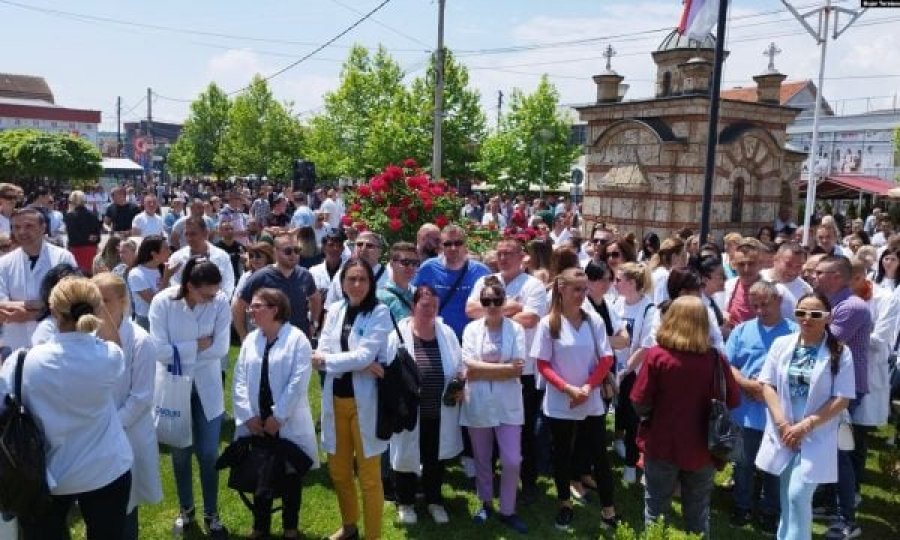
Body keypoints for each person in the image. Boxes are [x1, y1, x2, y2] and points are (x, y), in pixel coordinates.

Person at [0, 277, 134, 539]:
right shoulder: (107, 357)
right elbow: (117, 346)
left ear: (52, 311)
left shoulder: (23, 361)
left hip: (46, 473)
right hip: (105, 469)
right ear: (96, 310)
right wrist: (97, 305)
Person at [631, 295, 740, 538]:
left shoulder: (657, 356)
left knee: (656, 510)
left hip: (662, 444)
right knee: (698, 513)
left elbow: (639, 401)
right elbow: (732, 400)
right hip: (703, 448)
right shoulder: (715, 360)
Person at [755, 293, 855, 540]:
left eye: (815, 314)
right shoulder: (782, 344)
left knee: (798, 496)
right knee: (787, 502)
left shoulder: (841, 352)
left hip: (816, 434)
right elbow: (766, 384)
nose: (807, 319)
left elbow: (842, 398)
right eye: (801, 313)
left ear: (828, 318)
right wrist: (782, 423)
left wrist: (806, 426)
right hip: (784, 433)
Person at [149, 257, 232, 538]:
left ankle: (212, 513)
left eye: (214, 293)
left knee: (209, 453)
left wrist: (180, 351)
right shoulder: (163, 303)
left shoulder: (220, 301)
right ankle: (186, 510)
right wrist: (196, 346)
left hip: (207, 385)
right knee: (180, 453)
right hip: (174, 387)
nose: (213, 299)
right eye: (206, 294)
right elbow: (157, 350)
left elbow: (220, 347)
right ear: (188, 287)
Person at [531, 267, 618, 530]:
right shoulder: (549, 323)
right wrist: (567, 388)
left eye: (584, 289)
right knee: (562, 454)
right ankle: (565, 503)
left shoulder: (594, 321)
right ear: (562, 289)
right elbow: (543, 363)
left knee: (599, 455)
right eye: (576, 289)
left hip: (589, 399)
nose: (582, 295)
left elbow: (606, 358)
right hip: (560, 399)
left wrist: (586, 389)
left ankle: (609, 511)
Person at [311, 259, 393, 540]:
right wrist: (358, 362)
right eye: (351, 279)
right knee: (339, 472)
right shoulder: (334, 309)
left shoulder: (380, 312)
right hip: (335, 400)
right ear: (342, 282)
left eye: (362, 279)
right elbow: (321, 351)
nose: (356, 285)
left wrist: (355, 361)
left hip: (364, 404)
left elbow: (361, 356)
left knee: (369, 478)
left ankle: (372, 536)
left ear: (371, 283)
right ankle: (349, 527)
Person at [466, 236, 548, 503]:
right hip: (485, 371)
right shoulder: (486, 281)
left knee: (522, 433)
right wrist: (512, 306)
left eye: (509, 253)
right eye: (499, 253)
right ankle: (488, 488)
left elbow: (531, 318)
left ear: (522, 256)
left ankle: (527, 482)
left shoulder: (533, 284)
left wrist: (492, 312)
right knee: (485, 431)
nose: (503, 258)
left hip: (522, 371)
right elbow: (470, 310)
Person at [232, 288, 319, 539]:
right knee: (261, 473)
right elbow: (239, 378)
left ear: (275, 309)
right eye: (251, 306)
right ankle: (260, 528)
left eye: (257, 306)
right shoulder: (251, 340)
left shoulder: (297, 338)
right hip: (256, 421)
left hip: (286, 421)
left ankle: (290, 528)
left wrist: (278, 417)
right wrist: (248, 415)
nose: (251, 310)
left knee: (290, 474)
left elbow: (299, 380)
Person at [92, 272, 164, 539]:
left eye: (105, 301)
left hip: (126, 432)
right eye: (93, 302)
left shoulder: (140, 341)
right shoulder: (87, 337)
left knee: (125, 506)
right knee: (98, 506)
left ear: (123, 301)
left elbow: (141, 397)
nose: (98, 309)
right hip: (96, 434)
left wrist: (110, 426)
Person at [725, 280, 798, 534]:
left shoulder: (794, 333)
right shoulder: (742, 331)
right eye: (754, 305)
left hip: (778, 414)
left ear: (778, 300)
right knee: (742, 463)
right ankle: (742, 506)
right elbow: (728, 364)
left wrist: (770, 390)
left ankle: (770, 510)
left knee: (774, 465)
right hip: (744, 413)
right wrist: (747, 384)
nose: (759, 310)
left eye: (764, 304)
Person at [388, 286, 464, 526]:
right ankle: (405, 502)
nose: (429, 310)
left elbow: (459, 364)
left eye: (433, 305)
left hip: (439, 409)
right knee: (405, 456)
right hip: (409, 410)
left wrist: (460, 384)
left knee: (435, 457)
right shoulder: (398, 334)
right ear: (413, 306)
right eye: (424, 305)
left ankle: (434, 500)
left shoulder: (447, 332)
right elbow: (389, 371)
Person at [460, 276, 529, 533]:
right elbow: (468, 364)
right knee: (482, 457)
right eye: (486, 300)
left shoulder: (516, 329)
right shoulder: (471, 330)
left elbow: (517, 370)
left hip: (508, 403)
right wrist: (503, 369)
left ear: (504, 302)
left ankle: (508, 509)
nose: (491, 305)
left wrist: (482, 370)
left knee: (512, 460)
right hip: (478, 401)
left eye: (496, 300)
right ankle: (486, 502)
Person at [0, 208, 77, 349]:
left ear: (43, 228)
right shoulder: (4, 263)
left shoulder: (62, 258)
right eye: (17, 227)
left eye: (29, 226)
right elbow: (2, 305)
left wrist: (30, 315)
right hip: (14, 345)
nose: (22, 232)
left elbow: (70, 301)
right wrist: (45, 306)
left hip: (54, 346)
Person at [612, 261, 657, 484]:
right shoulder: (616, 303)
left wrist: (625, 369)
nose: (615, 283)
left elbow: (646, 345)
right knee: (617, 414)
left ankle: (632, 463)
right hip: (613, 368)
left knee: (632, 420)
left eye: (618, 280)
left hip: (633, 372)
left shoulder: (649, 308)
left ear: (631, 283)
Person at [233, 234, 320, 341]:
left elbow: (315, 298)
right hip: (268, 339)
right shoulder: (261, 277)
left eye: (297, 250)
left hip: (300, 338)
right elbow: (239, 305)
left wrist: (314, 323)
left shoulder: (305, 275)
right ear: (275, 252)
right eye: (288, 251)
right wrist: (243, 334)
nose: (293, 255)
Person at [413, 225, 491, 339]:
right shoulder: (428, 268)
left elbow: (495, 302)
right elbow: (414, 299)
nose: (453, 248)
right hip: (436, 338)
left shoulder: (482, 272)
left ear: (465, 245)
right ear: (441, 246)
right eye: (447, 244)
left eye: (458, 243)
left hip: (472, 339)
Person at [168, 216, 236, 298]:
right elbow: (175, 286)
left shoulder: (222, 256)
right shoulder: (176, 258)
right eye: (186, 234)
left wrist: (214, 302)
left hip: (215, 306)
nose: (189, 238)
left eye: (193, 234)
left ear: (205, 233)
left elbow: (228, 285)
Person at [325, 231, 390, 308]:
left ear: (380, 251)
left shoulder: (389, 276)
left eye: (369, 245)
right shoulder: (342, 273)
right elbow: (329, 307)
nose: (363, 249)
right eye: (359, 244)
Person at [127, 235, 173, 329]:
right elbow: (154, 301)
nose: (170, 252)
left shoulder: (163, 268)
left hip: (165, 318)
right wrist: (166, 278)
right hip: (146, 321)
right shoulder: (136, 274)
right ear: (154, 254)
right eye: (166, 249)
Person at [376, 241, 419, 321]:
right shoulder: (380, 296)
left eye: (414, 263)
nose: (411, 267)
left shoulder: (417, 294)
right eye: (405, 262)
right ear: (392, 264)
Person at [63, 190, 102, 273]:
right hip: (91, 251)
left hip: (76, 251)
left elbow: (72, 237)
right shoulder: (92, 215)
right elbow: (98, 237)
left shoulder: (70, 216)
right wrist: (90, 238)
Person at [649, 237, 687, 305]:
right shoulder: (664, 276)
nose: (685, 261)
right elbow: (661, 305)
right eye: (683, 256)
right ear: (674, 257)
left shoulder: (659, 272)